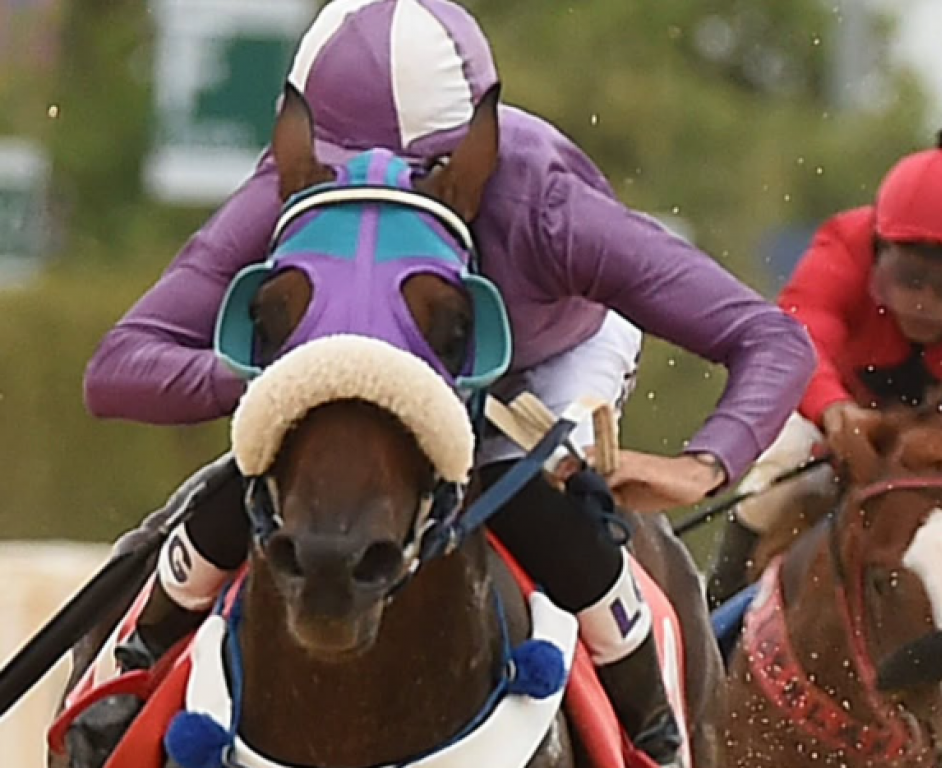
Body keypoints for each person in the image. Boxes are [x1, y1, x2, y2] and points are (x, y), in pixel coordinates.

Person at [83, 1, 814, 763]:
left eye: (415, 171)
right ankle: (120, 679)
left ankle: (653, 731)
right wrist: (285, 379)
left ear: (474, 153)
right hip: (339, 373)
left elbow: (767, 337)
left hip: (534, 364)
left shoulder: (545, 207)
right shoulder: (289, 186)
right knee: (258, 486)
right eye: (343, 165)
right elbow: (116, 369)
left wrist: (702, 464)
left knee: (542, 503)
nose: (374, 184)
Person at [707, 125, 942, 609]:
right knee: (771, 482)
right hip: (845, 401)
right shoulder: (842, 244)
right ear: (877, 250)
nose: (927, 302)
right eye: (910, 277)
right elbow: (799, 340)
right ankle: (714, 624)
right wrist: (833, 412)